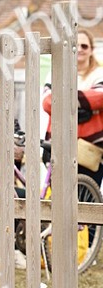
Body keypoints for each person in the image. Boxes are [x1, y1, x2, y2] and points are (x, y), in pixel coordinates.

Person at [42, 33, 103, 185]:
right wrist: (84, 107)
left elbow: (99, 97)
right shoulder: (56, 72)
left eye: (85, 46)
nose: (80, 49)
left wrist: (63, 102)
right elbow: (47, 101)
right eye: (76, 45)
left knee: (87, 195)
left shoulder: (99, 73)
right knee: (57, 195)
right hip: (59, 142)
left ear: (91, 50)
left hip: (90, 148)